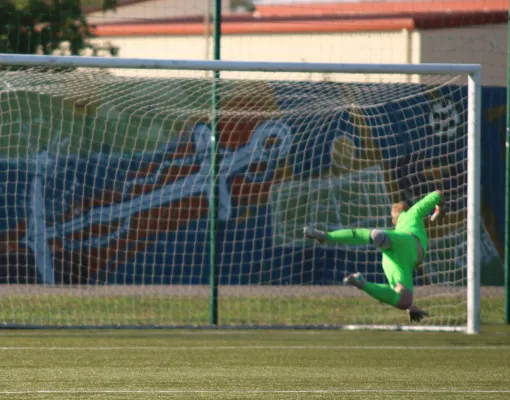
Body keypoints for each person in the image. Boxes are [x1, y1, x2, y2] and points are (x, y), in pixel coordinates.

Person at [304, 190, 445, 322]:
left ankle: (361, 281)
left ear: (393, 221)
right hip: (405, 243)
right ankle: (327, 237)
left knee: (405, 301)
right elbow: (438, 193)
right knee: (377, 235)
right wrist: (440, 208)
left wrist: (411, 307)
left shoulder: (400, 225)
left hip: (397, 260)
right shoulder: (411, 213)